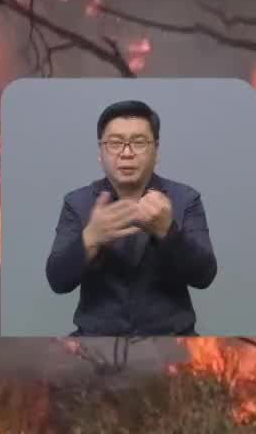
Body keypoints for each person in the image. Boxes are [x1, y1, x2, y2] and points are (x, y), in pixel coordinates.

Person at [44, 99, 218, 336]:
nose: (126, 153)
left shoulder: (185, 199)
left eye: (138, 142)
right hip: (97, 340)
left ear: (156, 151)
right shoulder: (77, 203)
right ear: (100, 152)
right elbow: (57, 281)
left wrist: (169, 232)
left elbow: (204, 276)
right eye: (115, 143)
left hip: (172, 339)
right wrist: (91, 238)